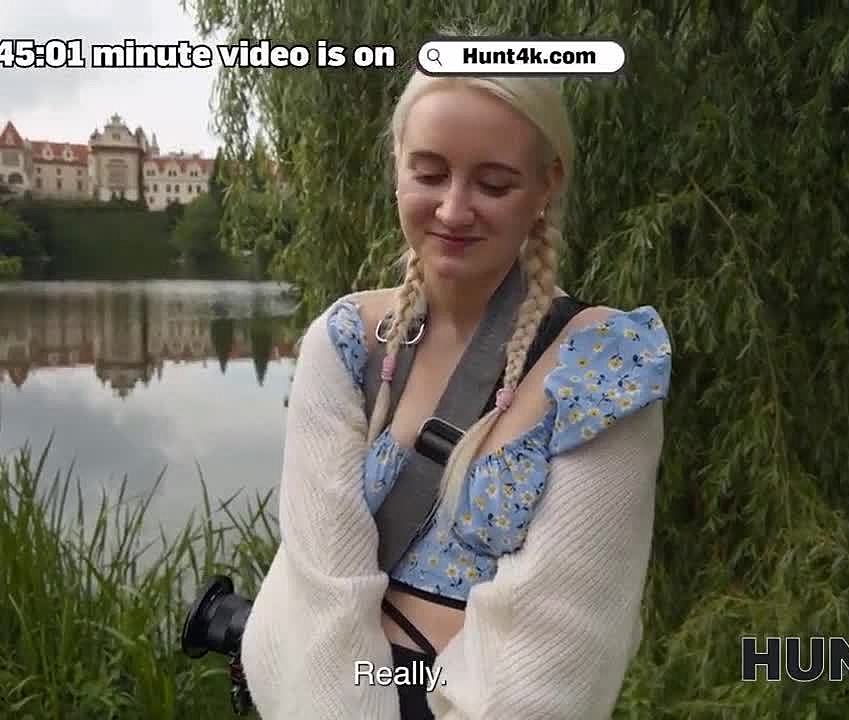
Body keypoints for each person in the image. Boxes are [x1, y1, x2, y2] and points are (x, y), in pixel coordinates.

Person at [237, 65, 671, 720]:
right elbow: (322, 591)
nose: (453, 210)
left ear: (547, 184)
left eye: (493, 183)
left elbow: (563, 645)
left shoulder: (603, 365)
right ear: (397, 165)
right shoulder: (347, 344)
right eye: (430, 173)